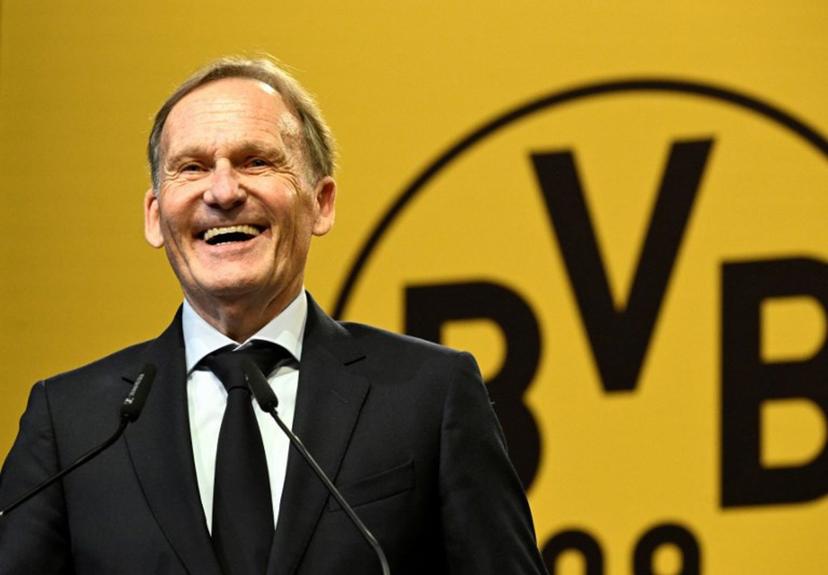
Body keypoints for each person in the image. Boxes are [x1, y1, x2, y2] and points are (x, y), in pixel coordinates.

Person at [0, 57, 547, 575]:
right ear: (154, 215)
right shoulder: (72, 425)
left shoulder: (429, 394)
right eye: (191, 168)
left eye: (256, 161)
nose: (222, 191)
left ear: (321, 203)